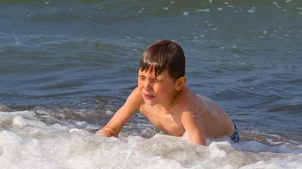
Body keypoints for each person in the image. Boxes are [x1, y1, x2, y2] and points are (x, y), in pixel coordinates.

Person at [98, 40, 239, 146]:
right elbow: (111, 129)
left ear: (179, 84)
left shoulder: (186, 105)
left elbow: (201, 150)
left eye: (155, 80)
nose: (146, 86)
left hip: (227, 140)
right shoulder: (138, 97)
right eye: (142, 78)